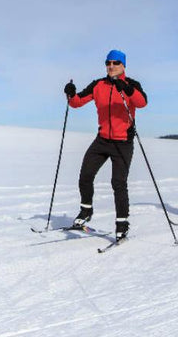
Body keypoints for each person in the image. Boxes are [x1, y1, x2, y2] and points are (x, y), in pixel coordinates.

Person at [63, 49, 147, 240]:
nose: (111, 66)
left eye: (115, 63)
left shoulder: (131, 84)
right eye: (108, 63)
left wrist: (126, 89)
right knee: (85, 175)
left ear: (123, 65)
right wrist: (70, 94)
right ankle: (86, 212)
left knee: (118, 183)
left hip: (123, 142)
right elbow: (77, 103)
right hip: (102, 140)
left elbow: (142, 103)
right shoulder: (98, 84)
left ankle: (122, 224)